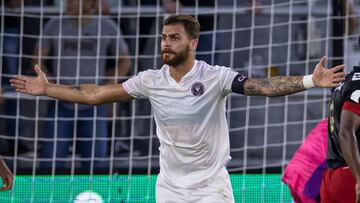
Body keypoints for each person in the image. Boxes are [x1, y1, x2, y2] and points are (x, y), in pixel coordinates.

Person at [12, 15, 345, 202]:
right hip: (170, 188)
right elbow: (96, 93)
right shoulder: (150, 81)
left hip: (212, 187)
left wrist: (310, 81)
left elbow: (261, 87)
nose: (165, 44)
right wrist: (48, 89)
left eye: (173, 38)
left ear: (193, 43)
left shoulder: (216, 77)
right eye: (163, 37)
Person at [32, 0, 131, 170]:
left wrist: (106, 88)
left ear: (89, 3)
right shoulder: (54, 24)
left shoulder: (106, 25)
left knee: (95, 167)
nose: (67, 3)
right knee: (50, 165)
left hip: (93, 105)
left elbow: (125, 61)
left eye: (72, 0)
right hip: (60, 103)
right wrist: (52, 87)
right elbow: (37, 59)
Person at [320, 64, 360, 202]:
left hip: (333, 177)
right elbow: (346, 132)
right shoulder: (358, 85)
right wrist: (359, 179)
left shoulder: (345, 82)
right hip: (353, 175)